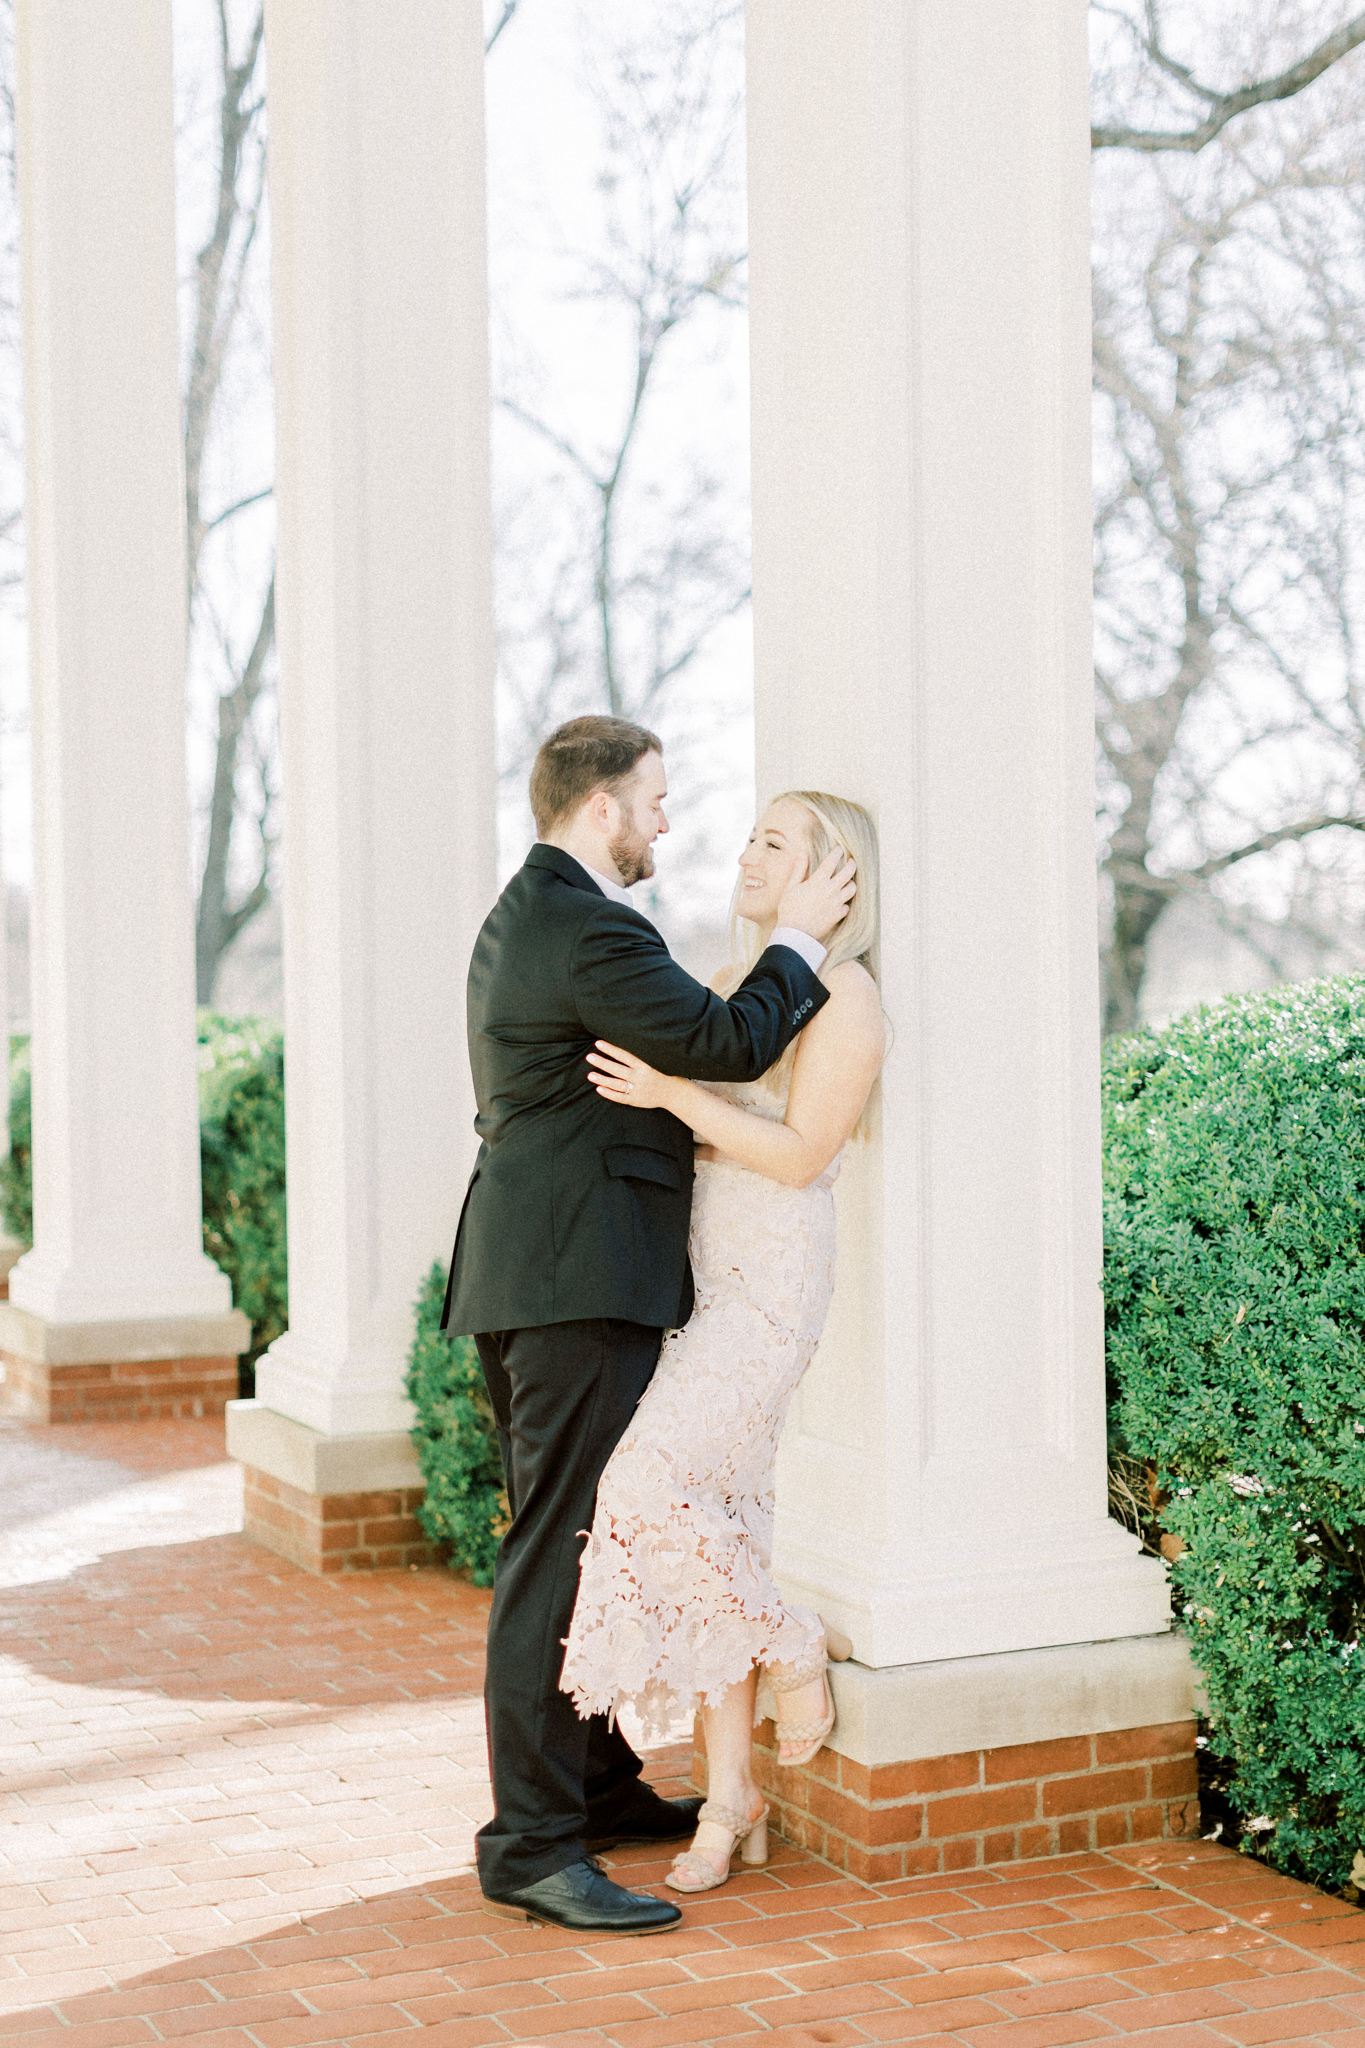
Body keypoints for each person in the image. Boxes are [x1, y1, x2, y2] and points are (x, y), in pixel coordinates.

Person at [442, 717, 857, 1937]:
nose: (670, 822)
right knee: (552, 1551)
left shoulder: (541, 914)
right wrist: (803, 940)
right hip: (570, 1279)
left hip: (551, 1270)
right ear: (600, 806)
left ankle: (595, 1785)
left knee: (575, 1532)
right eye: (656, 799)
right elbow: (730, 1040)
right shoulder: (586, 924)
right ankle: (529, 1843)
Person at [560, 790, 885, 1894]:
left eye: (775, 842)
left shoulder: (845, 997)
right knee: (721, 1518)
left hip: (772, 1288)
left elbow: (798, 1155)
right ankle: (730, 1795)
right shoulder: (736, 992)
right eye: (750, 836)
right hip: (704, 1286)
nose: (746, 853)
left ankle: (791, 1640)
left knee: (644, 1480)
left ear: (831, 876)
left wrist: (672, 1096)